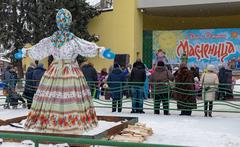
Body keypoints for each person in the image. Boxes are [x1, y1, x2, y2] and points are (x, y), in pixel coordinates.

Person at [20, 8, 112, 133]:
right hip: (71, 73)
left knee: (50, 96)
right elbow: (87, 47)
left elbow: (37, 50)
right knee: (74, 97)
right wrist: (101, 51)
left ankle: (49, 121)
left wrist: (24, 52)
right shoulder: (73, 40)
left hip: (54, 72)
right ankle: (71, 121)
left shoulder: (52, 40)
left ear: (58, 22)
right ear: (69, 22)